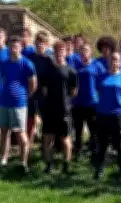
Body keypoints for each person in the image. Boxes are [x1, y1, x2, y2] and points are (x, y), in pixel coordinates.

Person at [93, 51, 121, 185]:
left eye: (116, 60)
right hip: (102, 114)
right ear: (108, 62)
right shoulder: (101, 77)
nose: (114, 62)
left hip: (119, 115)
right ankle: (99, 170)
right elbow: (97, 91)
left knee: (120, 145)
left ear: (120, 62)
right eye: (112, 60)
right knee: (102, 144)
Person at [0, 36, 37, 169]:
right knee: (4, 131)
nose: (14, 48)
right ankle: (3, 159)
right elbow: (4, 79)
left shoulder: (27, 64)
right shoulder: (5, 63)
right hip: (4, 101)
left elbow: (33, 84)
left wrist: (24, 96)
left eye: (17, 46)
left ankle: (23, 162)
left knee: (20, 133)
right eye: (12, 46)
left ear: (21, 47)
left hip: (19, 103)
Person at [39, 41, 78, 175]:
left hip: (64, 109)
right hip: (50, 109)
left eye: (62, 50)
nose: (60, 53)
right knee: (48, 138)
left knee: (65, 138)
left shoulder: (71, 71)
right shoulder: (48, 70)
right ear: (54, 52)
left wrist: (65, 100)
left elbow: (74, 91)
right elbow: (44, 89)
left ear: (66, 52)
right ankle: (49, 165)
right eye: (57, 50)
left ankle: (66, 165)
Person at [26, 31, 55, 147]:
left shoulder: (50, 60)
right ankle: (28, 147)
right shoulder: (29, 58)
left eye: (43, 43)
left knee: (47, 121)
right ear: (34, 43)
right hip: (31, 93)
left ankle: (46, 147)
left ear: (47, 44)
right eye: (38, 42)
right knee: (30, 121)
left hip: (45, 94)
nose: (40, 45)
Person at [72, 43, 99, 161]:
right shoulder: (76, 66)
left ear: (91, 52)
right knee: (78, 130)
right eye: (82, 51)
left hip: (92, 103)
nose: (84, 53)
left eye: (86, 50)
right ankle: (78, 151)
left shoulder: (96, 66)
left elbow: (102, 82)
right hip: (78, 103)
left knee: (93, 129)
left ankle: (94, 152)